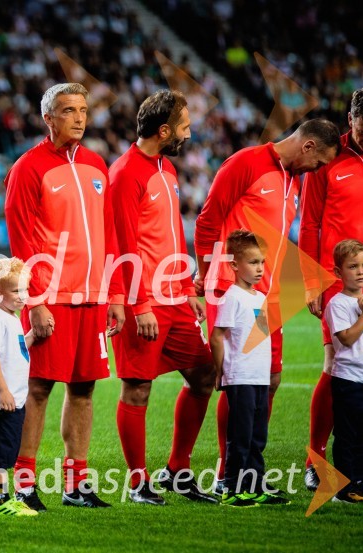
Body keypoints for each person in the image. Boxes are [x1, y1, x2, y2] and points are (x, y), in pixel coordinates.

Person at [194, 118, 341, 489]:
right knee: (238, 382)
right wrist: (206, 275)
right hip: (233, 291)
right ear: (308, 146)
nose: (318, 169)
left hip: (269, 295)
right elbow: (208, 221)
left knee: (269, 380)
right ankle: (228, 475)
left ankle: (250, 472)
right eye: (319, 162)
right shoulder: (246, 162)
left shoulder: (294, 179)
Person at [4, 82, 125, 512]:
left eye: (83, 110)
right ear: (48, 118)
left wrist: (114, 293)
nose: (78, 118)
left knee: (84, 389)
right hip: (50, 297)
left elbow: (109, 232)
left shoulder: (96, 165)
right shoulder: (28, 168)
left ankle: (76, 485)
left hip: (93, 297)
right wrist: (35, 301)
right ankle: (23, 485)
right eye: (68, 110)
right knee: (38, 388)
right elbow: (20, 239)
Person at [109, 89, 216, 506]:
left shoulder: (166, 168)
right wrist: (139, 305)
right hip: (145, 303)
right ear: (165, 130)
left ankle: (177, 470)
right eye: (184, 127)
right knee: (137, 389)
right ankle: (139, 482)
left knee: (204, 376)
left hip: (175, 298)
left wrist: (187, 287)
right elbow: (122, 245)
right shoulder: (125, 173)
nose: (188, 134)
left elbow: (168, 235)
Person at [299, 88, 363, 491]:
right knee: (335, 364)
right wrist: (311, 281)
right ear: (351, 120)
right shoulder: (328, 158)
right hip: (337, 282)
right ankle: (316, 461)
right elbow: (309, 223)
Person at [210, 230, 289, 507]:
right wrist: (219, 371)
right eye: (253, 262)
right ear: (234, 265)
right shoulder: (232, 297)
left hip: (259, 378)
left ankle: (254, 486)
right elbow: (217, 336)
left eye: (262, 262)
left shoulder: (259, 298)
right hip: (240, 377)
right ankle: (231, 489)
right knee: (240, 436)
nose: (259, 268)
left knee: (257, 437)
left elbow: (260, 337)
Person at [0, 257, 38, 517]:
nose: (22, 296)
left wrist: (32, 336)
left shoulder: (12, 318)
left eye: (25, 289)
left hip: (14, 397)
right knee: (2, 454)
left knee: (7, 451)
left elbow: (16, 349)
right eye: (15, 290)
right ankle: (1, 501)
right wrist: (3, 390)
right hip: (2, 400)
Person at [324, 239, 363, 504]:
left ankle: (359, 482)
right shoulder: (337, 304)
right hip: (348, 379)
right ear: (339, 272)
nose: (360, 271)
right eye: (353, 266)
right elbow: (347, 339)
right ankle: (344, 488)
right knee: (348, 435)